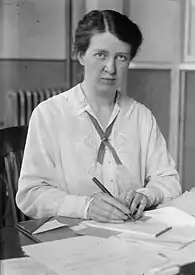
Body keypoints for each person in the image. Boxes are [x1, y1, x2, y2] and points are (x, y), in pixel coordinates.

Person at [16, 9, 182, 223]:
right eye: (100, 55)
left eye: (121, 57)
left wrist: (146, 195)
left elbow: (169, 181)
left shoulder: (141, 116)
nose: (111, 68)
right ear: (81, 56)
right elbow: (30, 194)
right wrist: (85, 207)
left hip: (131, 240)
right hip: (69, 241)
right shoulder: (49, 114)